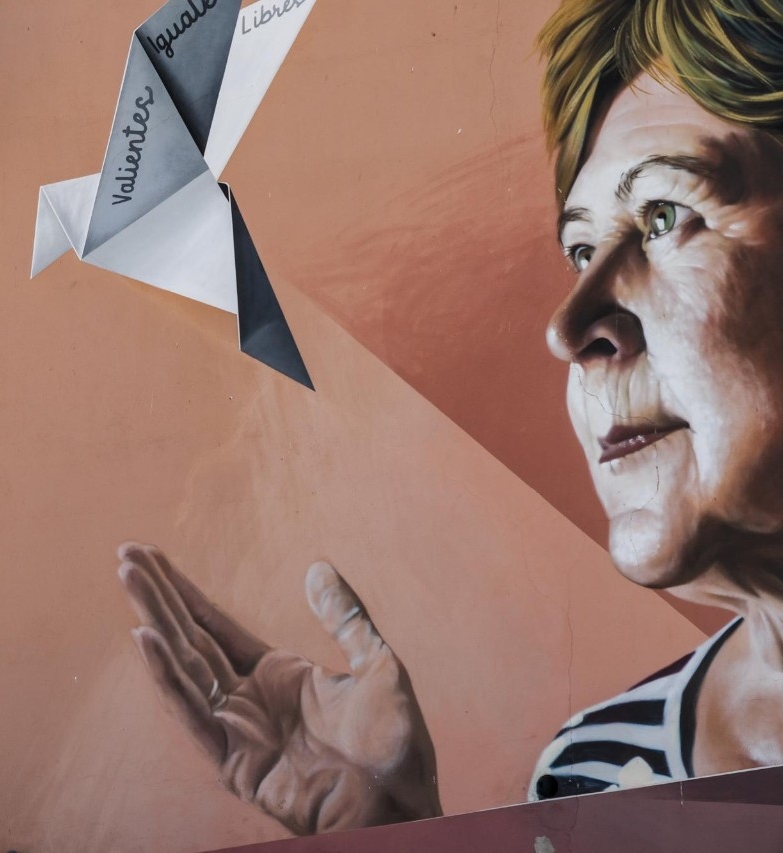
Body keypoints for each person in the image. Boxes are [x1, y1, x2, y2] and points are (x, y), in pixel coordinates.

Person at [118, 0, 783, 835]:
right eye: (581, 249)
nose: (567, 326)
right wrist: (396, 826)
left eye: (664, 216)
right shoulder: (589, 773)